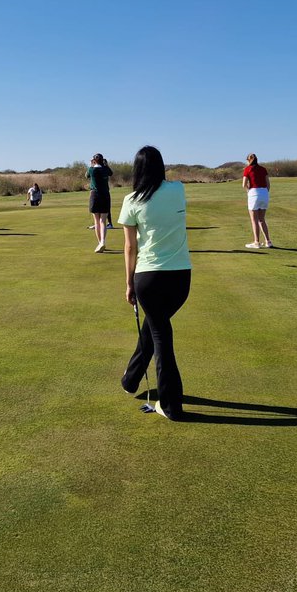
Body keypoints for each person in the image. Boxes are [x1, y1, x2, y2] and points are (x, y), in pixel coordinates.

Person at [119, 146, 192, 421]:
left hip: (148, 278)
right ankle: (131, 379)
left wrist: (128, 284)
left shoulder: (132, 200)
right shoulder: (178, 190)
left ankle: (170, 405)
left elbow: (130, 247)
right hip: (180, 278)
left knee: (161, 335)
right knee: (155, 326)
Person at [242, 153, 272, 249]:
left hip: (254, 193)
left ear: (248, 160)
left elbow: (244, 184)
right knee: (261, 219)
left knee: (254, 220)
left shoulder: (247, 169)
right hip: (264, 193)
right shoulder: (263, 169)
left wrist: (249, 192)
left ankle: (256, 242)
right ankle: (268, 241)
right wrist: (264, 192)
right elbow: (268, 184)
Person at [87, 153, 113, 252]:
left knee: (96, 221)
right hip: (105, 195)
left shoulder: (91, 169)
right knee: (103, 221)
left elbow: (87, 175)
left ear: (94, 160)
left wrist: (91, 165)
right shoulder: (105, 169)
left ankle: (100, 243)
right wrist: (105, 164)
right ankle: (102, 241)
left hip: (95, 195)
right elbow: (111, 173)